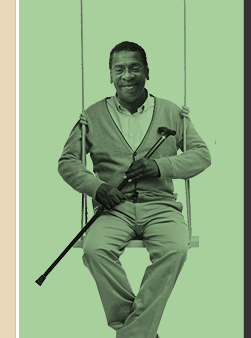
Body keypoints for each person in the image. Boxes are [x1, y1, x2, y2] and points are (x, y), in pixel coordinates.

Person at [58, 41, 210, 338]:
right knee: (94, 250)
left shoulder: (172, 112)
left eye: (135, 68)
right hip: (114, 208)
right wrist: (97, 188)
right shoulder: (92, 116)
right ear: (111, 75)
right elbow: (67, 162)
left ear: (147, 72)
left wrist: (160, 166)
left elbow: (201, 155)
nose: (127, 75)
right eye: (120, 69)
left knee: (176, 248)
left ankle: (131, 333)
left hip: (161, 206)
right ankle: (141, 330)